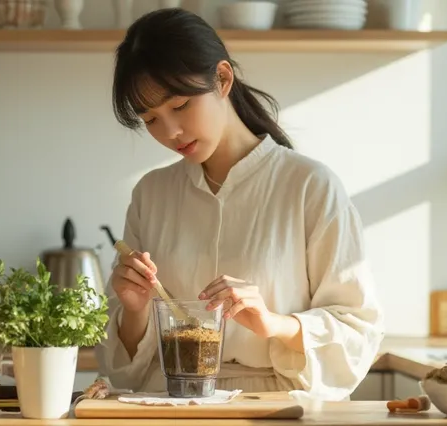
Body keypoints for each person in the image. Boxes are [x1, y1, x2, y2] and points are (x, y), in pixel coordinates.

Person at [95, 7, 384, 401]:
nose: (171, 132)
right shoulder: (151, 194)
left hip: (276, 405)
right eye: (151, 119)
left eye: (180, 106)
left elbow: (358, 332)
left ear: (223, 78)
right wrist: (134, 310)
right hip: (169, 405)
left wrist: (275, 324)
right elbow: (120, 366)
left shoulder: (310, 187)